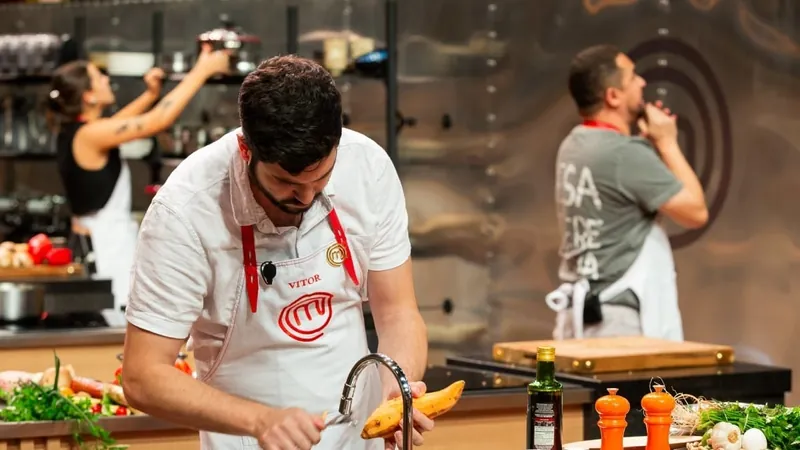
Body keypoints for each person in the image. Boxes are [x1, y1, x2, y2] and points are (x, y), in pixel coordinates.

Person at [120, 55, 431, 450]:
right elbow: (142, 376)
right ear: (245, 149)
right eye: (286, 183)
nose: (306, 197)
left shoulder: (368, 168)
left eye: (321, 178)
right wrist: (261, 420)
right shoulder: (184, 210)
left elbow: (399, 313)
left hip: (358, 441)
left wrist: (396, 396)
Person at [47, 45, 230, 310]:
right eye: (99, 78)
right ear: (89, 96)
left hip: (103, 244)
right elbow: (158, 121)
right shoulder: (90, 135)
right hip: (106, 250)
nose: (106, 80)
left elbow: (125, 121)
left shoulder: (84, 131)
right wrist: (202, 71)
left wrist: (151, 94)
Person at [546, 44, 708, 342]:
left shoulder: (573, 145)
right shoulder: (626, 154)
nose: (642, 83)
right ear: (613, 96)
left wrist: (648, 152)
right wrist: (668, 143)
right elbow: (696, 211)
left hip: (577, 315)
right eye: (633, 77)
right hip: (617, 323)